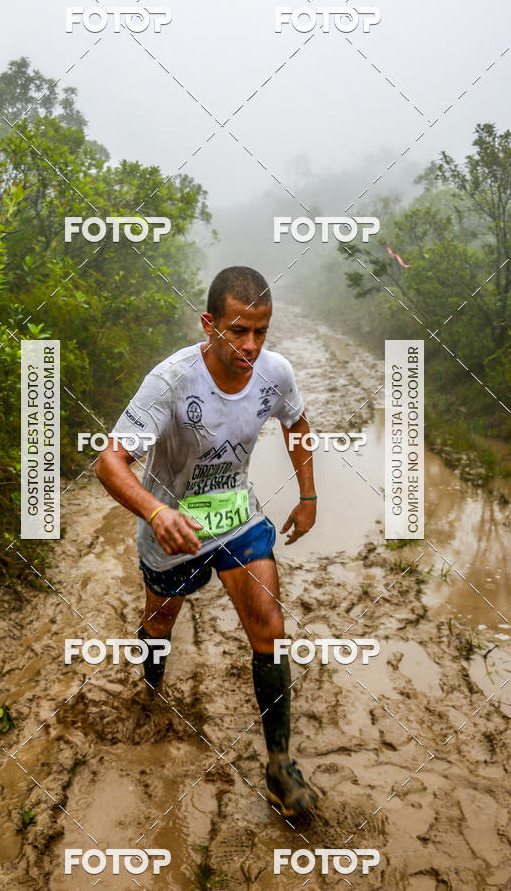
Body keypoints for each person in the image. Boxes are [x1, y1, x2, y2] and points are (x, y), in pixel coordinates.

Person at [95, 265, 319, 817]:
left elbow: (297, 424)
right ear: (209, 323)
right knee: (160, 622)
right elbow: (110, 460)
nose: (250, 345)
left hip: (236, 519)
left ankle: (279, 766)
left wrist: (308, 497)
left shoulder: (276, 372)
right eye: (237, 331)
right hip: (170, 529)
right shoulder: (171, 379)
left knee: (270, 623)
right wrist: (154, 511)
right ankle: (150, 683)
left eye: (261, 332)